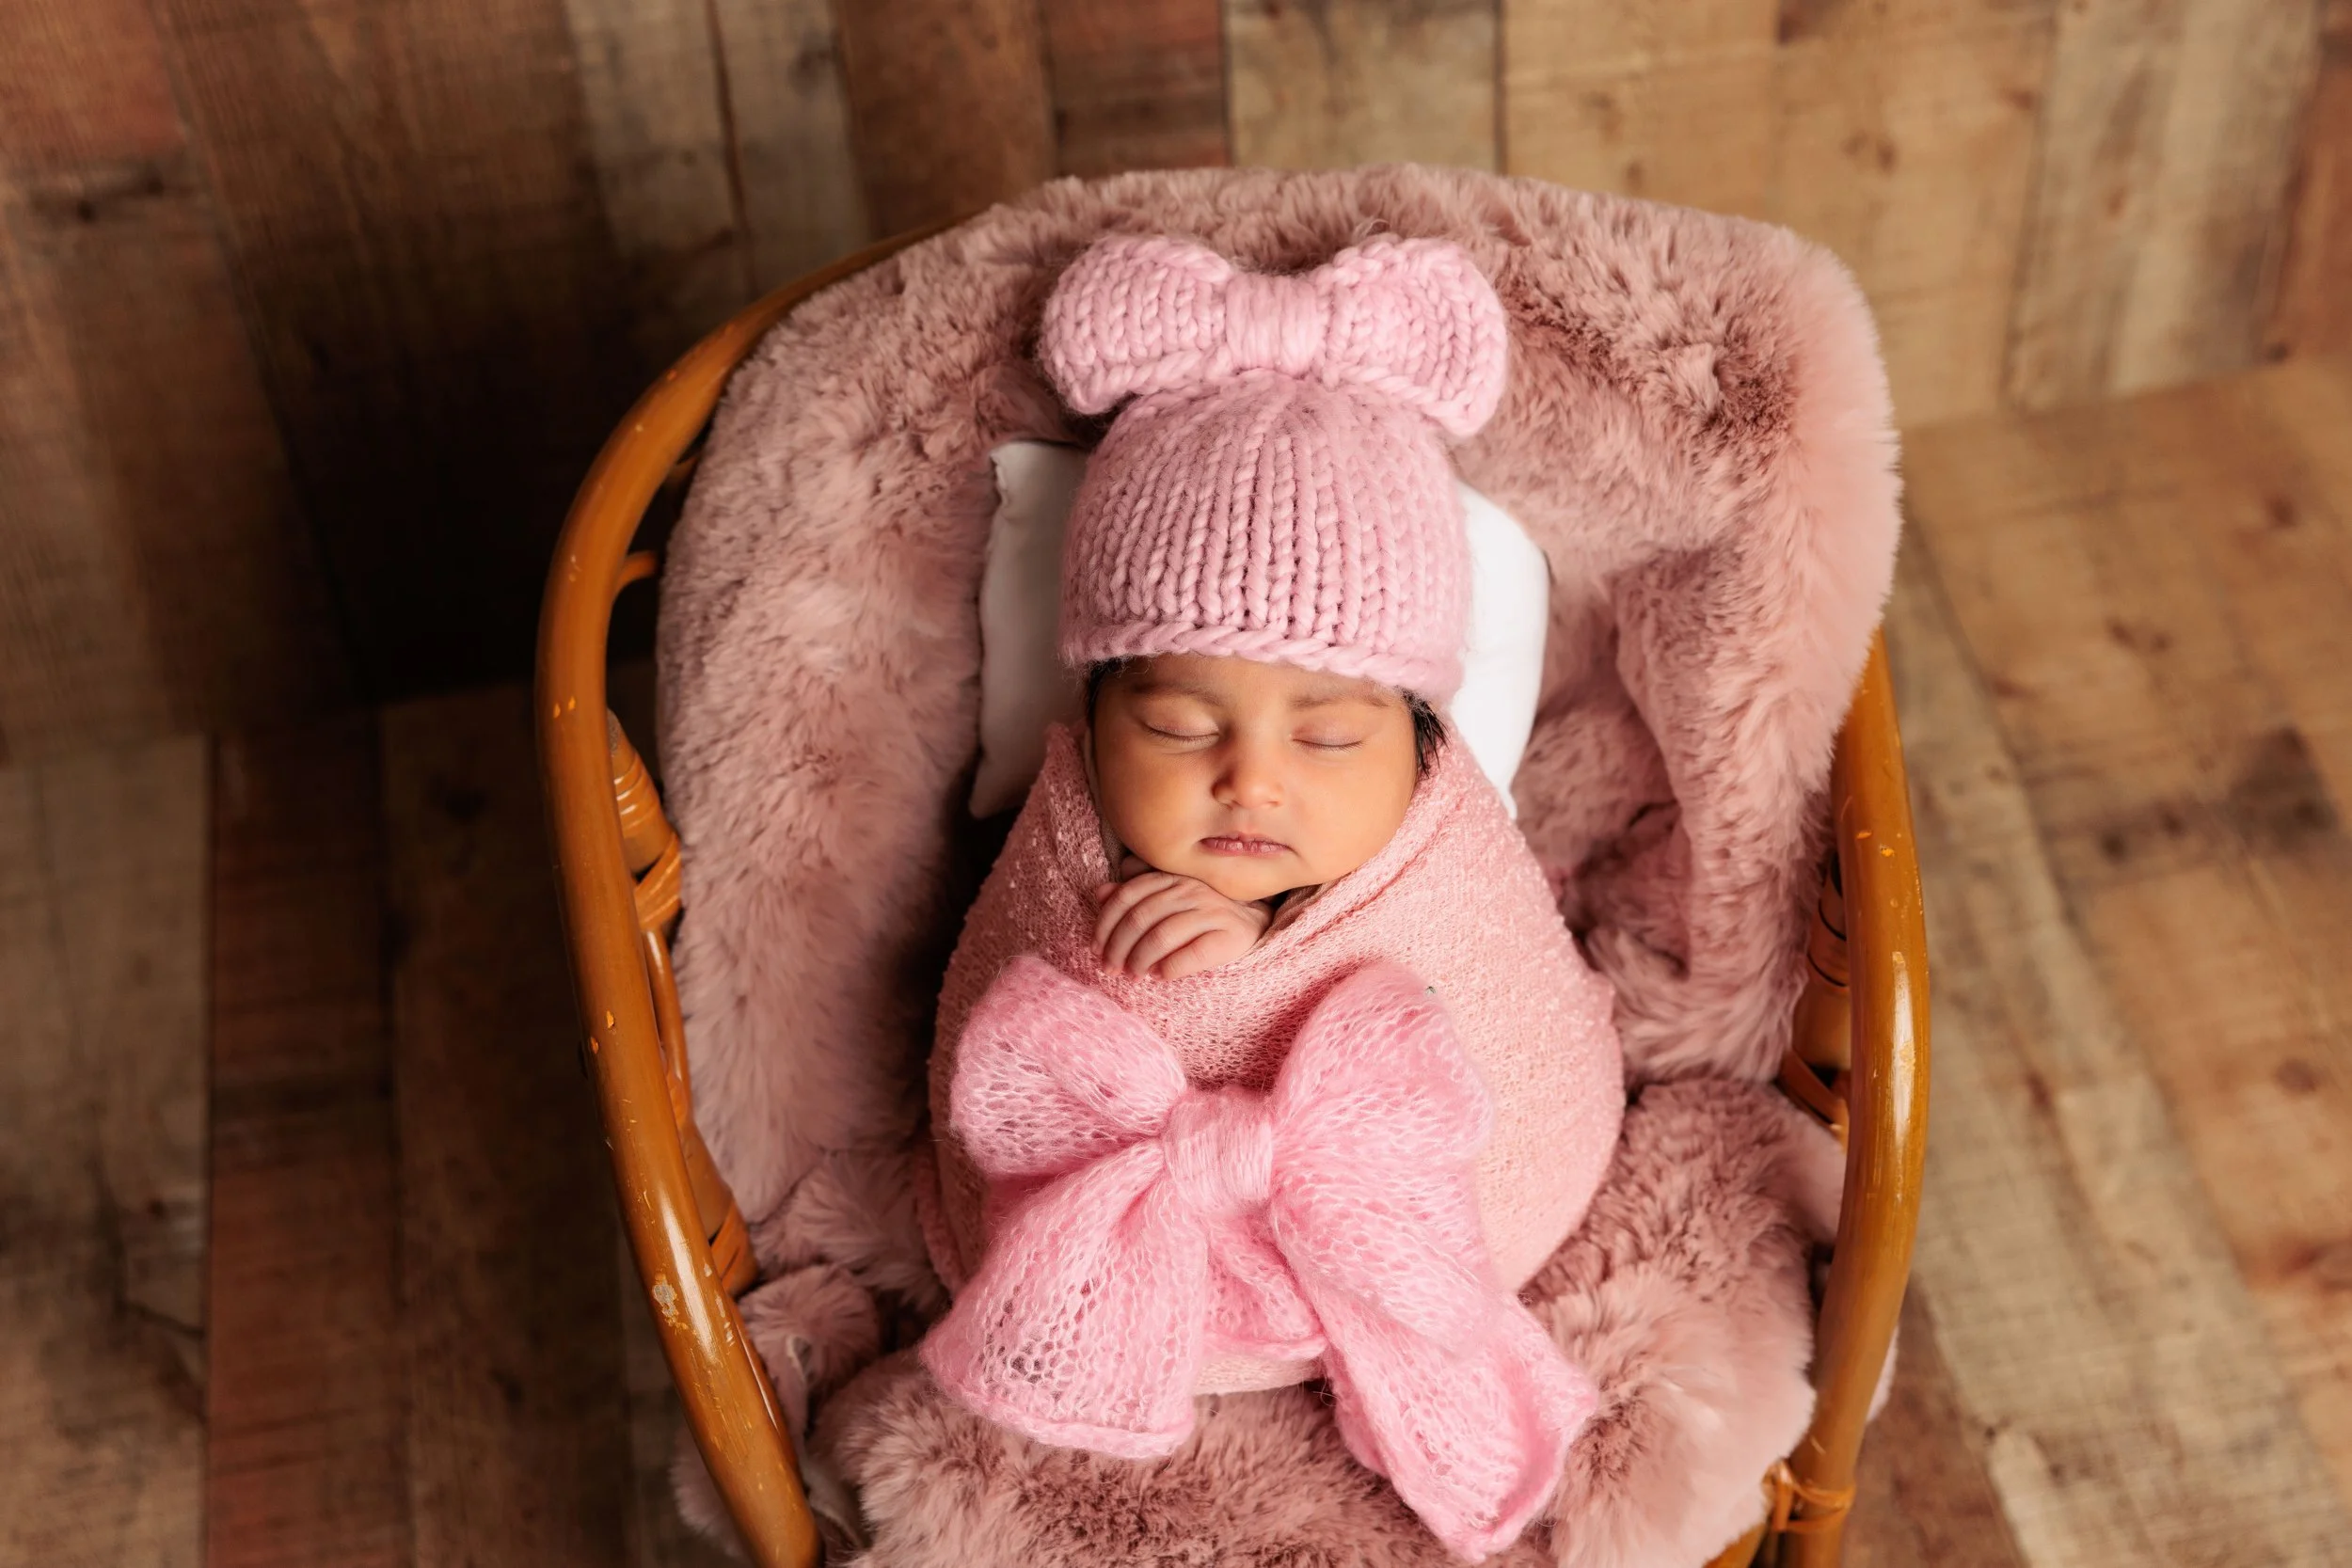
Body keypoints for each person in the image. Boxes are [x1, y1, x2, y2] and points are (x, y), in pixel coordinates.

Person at [914, 231, 1627, 1560]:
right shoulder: (1072, 833)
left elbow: (1480, 987)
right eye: (1180, 725)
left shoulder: (1440, 835)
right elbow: (1015, 1015)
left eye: (1329, 735)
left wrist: (1272, 942)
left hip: (1466, 1204)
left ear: (1419, 738)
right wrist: (1143, 965)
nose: (1251, 781)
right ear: (1093, 717)